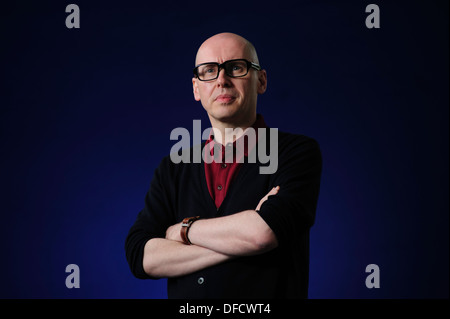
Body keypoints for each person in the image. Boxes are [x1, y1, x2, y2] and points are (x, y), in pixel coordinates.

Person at [125, 32, 322, 298]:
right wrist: (241, 238)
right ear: (196, 89)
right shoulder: (173, 167)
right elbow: (141, 257)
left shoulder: (295, 152)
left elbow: (262, 234)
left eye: (236, 68)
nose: (221, 80)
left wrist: (182, 230)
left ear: (261, 80)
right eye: (209, 71)